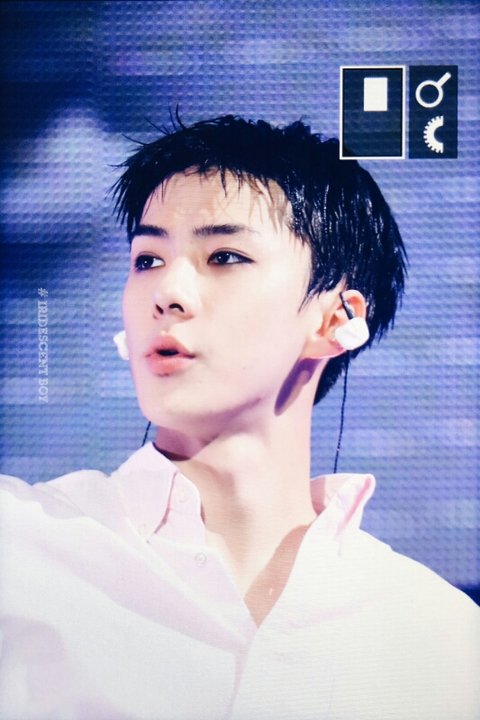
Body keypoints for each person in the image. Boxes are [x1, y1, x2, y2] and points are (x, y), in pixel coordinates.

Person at [0, 115, 478, 720]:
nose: (167, 292)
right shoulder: (18, 546)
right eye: (147, 259)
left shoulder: (443, 637)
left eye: (224, 256)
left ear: (337, 319)